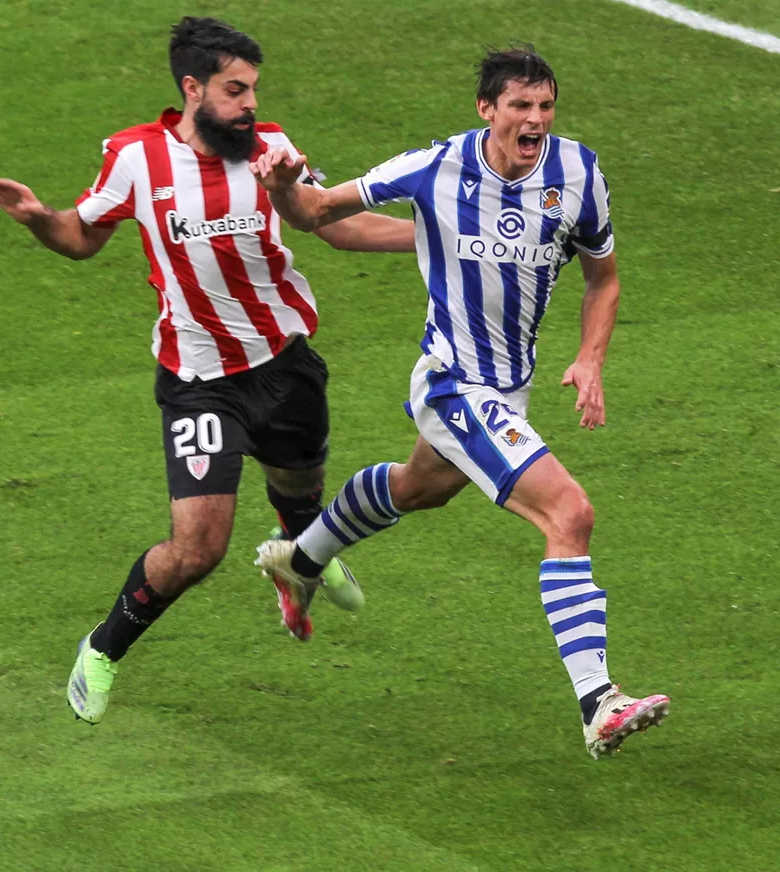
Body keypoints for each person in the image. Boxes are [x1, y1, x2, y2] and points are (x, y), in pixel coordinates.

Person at [0, 16, 415, 725]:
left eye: (253, 90)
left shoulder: (273, 149)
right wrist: (37, 217)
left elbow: (327, 223)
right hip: (199, 380)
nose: (249, 105)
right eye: (235, 91)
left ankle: (295, 563)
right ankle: (104, 647)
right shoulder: (136, 159)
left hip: (287, 365)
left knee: (300, 484)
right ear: (192, 88)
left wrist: (428, 239)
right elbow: (83, 238)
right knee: (199, 547)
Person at [250, 46, 669, 759]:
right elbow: (317, 213)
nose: (535, 120)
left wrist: (590, 358)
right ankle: (598, 702)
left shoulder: (578, 172)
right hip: (452, 385)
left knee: (418, 489)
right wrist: (287, 188)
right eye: (520, 107)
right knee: (570, 513)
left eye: (545, 106)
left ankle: (302, 559)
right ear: (487, 109)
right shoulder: (435, 167)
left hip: (510, 390)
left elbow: (604, 278)